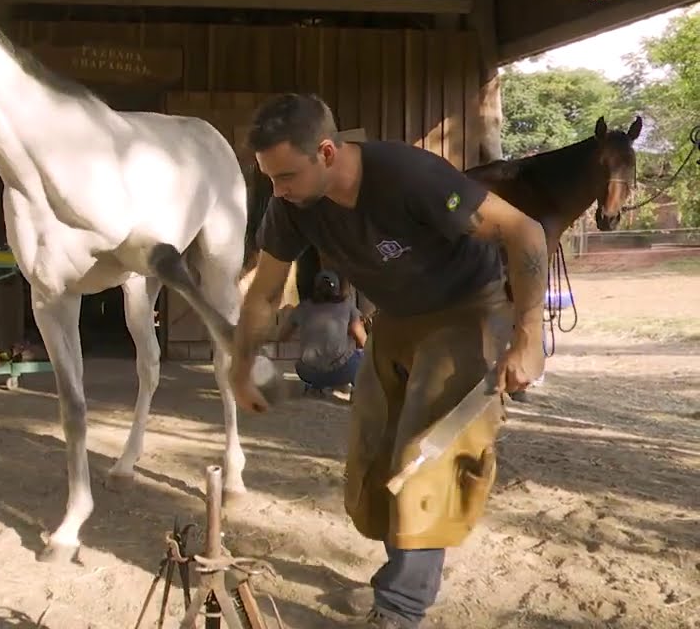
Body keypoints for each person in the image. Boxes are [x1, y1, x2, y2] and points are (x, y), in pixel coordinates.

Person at [229, 94, 547, 628]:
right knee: (374, 461)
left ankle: (399, 610)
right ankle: (398, 580)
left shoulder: (408, 175)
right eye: (270, 178)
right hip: (395, 322)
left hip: (466, 311)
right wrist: (241, 364)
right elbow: (262, 292)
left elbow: (524, 231)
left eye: (286, 176)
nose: (277, 190)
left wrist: (529, 335)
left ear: (327, 152)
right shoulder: (292, 206)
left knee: (426, 459)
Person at [276, 269, 367, 401]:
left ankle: (315, 386)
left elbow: (282, 337)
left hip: (307, 373)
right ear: (337, 288)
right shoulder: (347, 307)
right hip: (342, 372)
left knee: (304, 358)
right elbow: (363, 340)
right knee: (363, 357)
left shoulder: (302, 307)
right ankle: (358, 392)